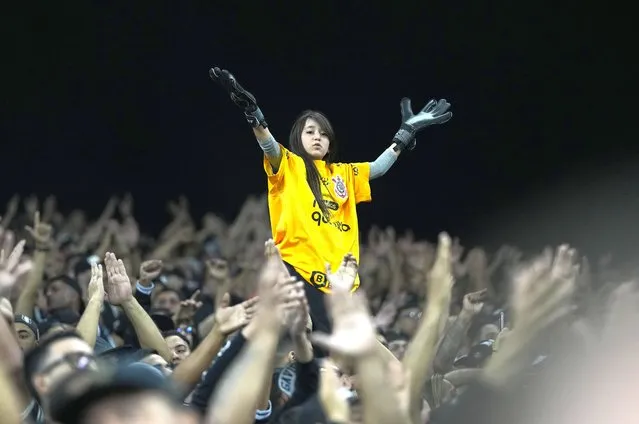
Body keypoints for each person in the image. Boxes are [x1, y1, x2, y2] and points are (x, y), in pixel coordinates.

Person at [210, 66, 453, 336]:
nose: (318, 137)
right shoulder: (289, 165)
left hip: (340, 282)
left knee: (341, 357)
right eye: (310, 132)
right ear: (297, 139)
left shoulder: (343, 174)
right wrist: (254, 115)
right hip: (298, 271)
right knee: (307, 341)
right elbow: (269, 145)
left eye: (323, 134)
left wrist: (406, 133)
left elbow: (378, 168)